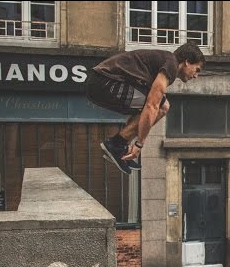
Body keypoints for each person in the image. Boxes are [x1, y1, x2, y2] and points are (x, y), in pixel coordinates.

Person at [85, 42, 206, 174]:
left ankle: (118, 144)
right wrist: (139, 144)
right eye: (197, 70)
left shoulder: (165, 61)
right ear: (187, 62)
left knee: (163, 106)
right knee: (157, 105)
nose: (196, 76)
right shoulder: (171, 64)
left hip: (100, 83)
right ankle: (116, 144)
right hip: (103, 82)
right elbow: (151, 105)